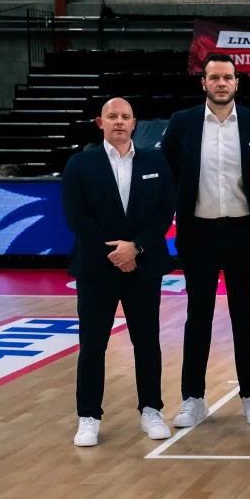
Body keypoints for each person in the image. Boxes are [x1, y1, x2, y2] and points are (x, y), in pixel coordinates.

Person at [162, 52, 250, 429]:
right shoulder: (182, 122)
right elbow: (167, 175)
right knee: (198, 317)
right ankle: (193, 398)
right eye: (214, 78)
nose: (221, 83)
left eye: (227, 77)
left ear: (236, 82)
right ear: (204, 83)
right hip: (199, 234)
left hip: (244, 233)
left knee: (245, 317)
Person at [63, 97, 176, 447]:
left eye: (125, 116)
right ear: (101, 123)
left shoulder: (155, 161)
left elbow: (164, 211)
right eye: (112, 116)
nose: (119, 122)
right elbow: (76, 216)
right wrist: (114, 253)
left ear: (134, 123)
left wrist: (136, 247)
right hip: (97, 269)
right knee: (92, 345)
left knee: (147, 343)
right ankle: (88, 417)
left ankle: (151, 410)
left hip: (143, 265)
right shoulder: (80, 164)